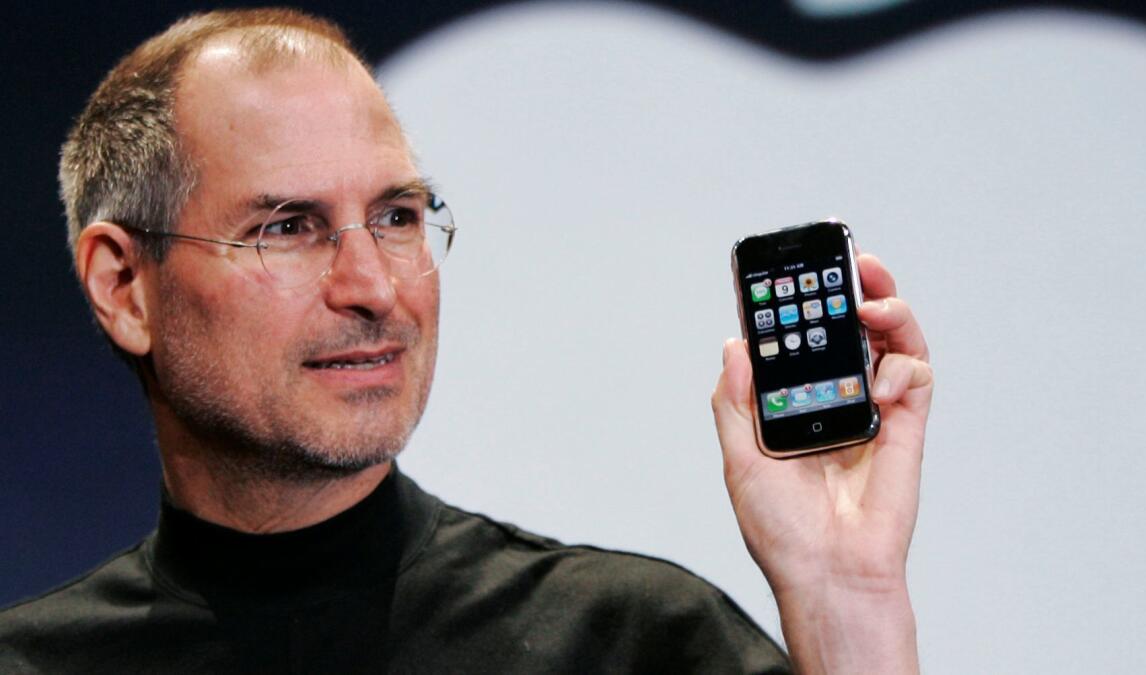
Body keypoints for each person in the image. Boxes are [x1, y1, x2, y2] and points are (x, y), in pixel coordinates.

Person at [0, 8, 932, 674]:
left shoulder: (631, 642)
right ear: (124, 287)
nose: (374, 287)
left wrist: (843, 598)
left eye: (398, 215)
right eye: (287, 227)